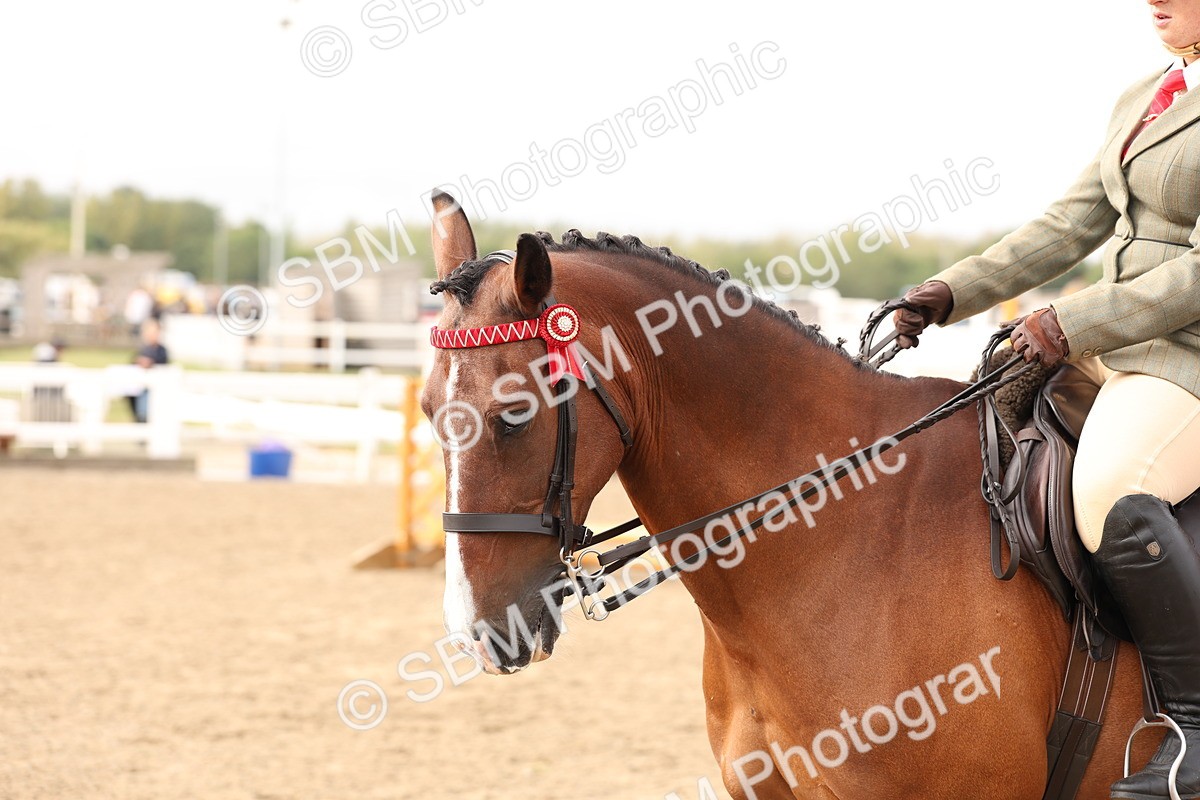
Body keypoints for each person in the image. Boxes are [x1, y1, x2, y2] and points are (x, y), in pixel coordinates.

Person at [892, 3, 1200, 797]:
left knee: (1108, 491)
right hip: (1114, 344)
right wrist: (950, 292)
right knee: (979, 438)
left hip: (1185, 356)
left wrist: (1071, 321)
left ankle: (1196, 731)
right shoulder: (1148, 94)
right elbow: (1072, 223)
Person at [128, 318, 169, 424]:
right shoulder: (142, 348)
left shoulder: (161, 350)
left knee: (146, 410)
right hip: (138, 386)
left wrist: (150, 363)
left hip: (153, 387)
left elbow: (163, 363)